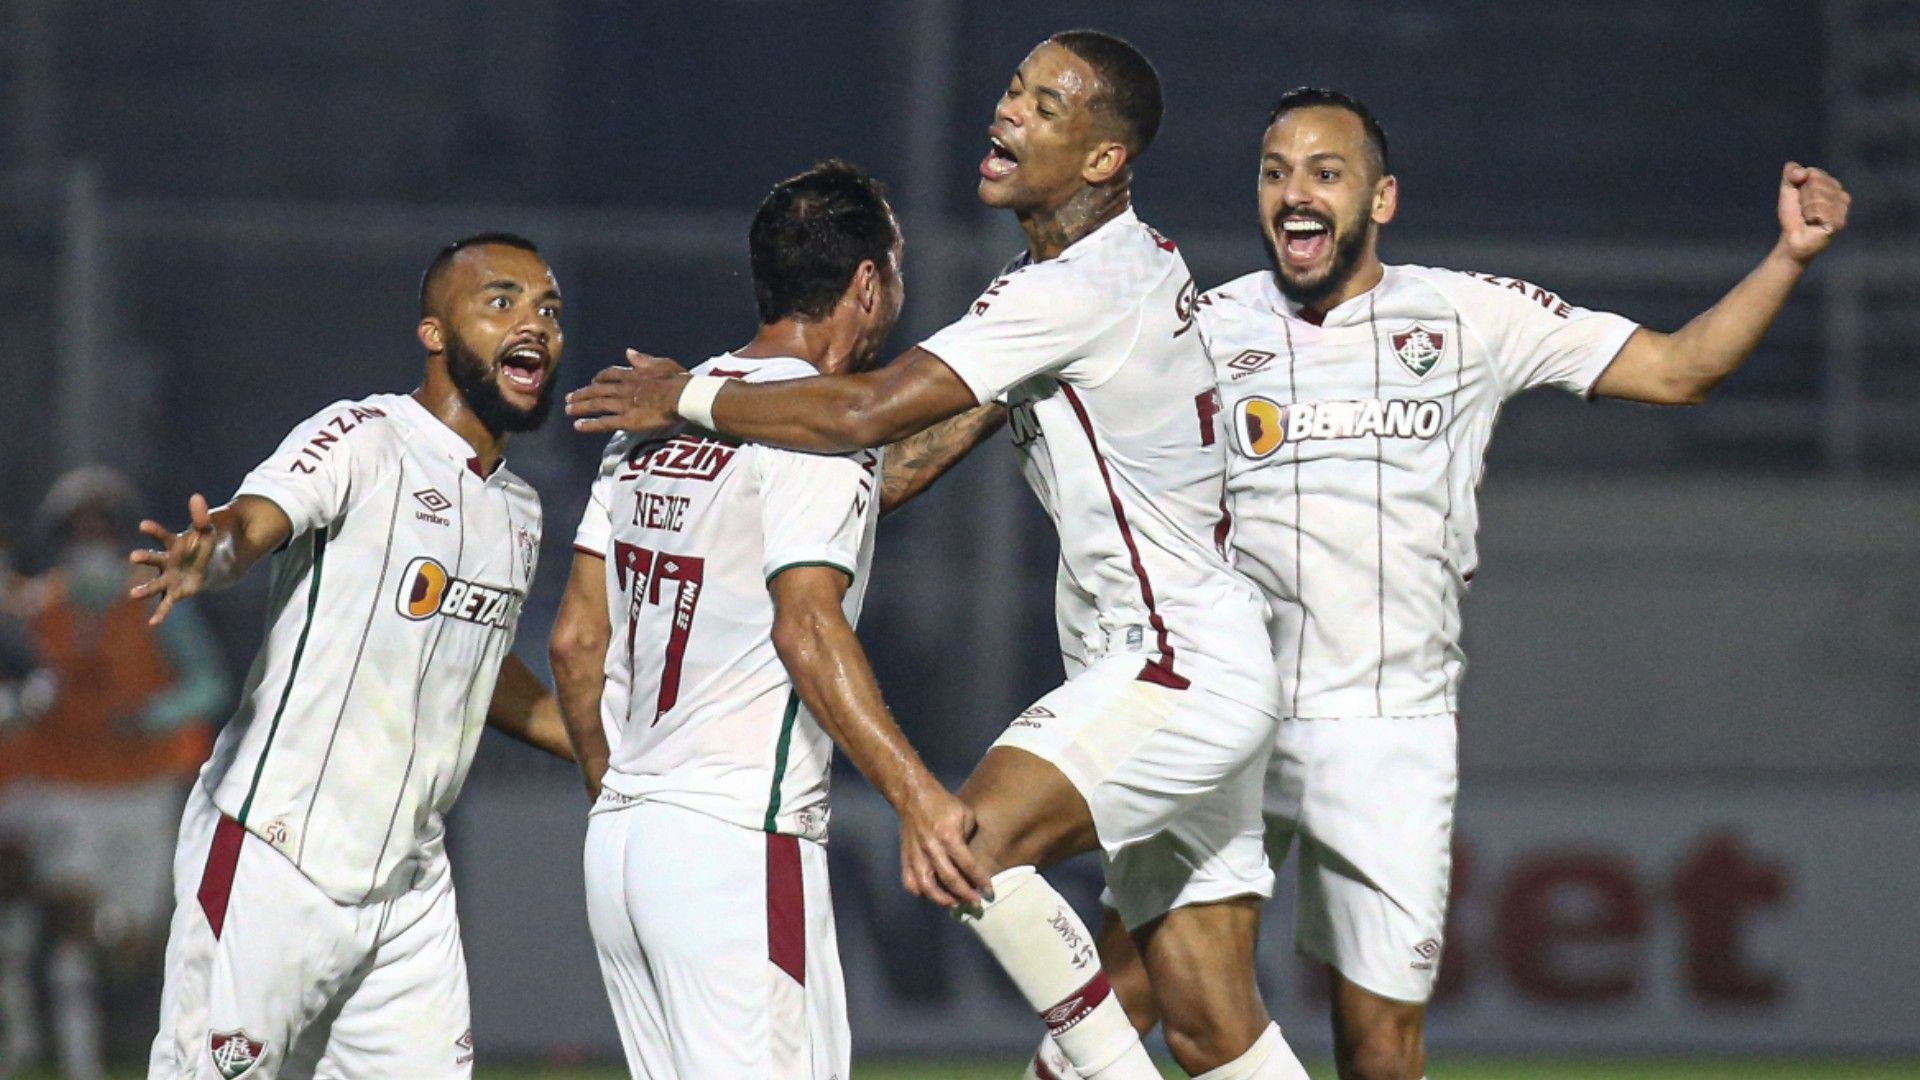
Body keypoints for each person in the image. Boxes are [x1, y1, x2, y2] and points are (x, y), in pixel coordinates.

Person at [1037, 88, 1853, 1080]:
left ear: (1380, 200)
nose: (1296, 194)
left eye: (1325, 174)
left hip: (1388, 732)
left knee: (1382, 1053)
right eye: (1275, 171)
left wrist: (1790, 259)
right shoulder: (1200, 331)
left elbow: (1681, 371)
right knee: (1136, 998)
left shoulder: (1468, 315)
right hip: (1227, 716)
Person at [566, 30, 1312, 1080]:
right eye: (1012, 89)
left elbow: (868, 412)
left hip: (1172, 666)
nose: (1008, 112)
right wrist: (764, 473)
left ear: (1103, 159)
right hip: (1192, 662)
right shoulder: (1078, 280)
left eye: (1046, 105)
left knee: (969, 844)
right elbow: (901, 459)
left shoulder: (1071, 291)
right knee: (1209, 1017)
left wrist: (691, 400)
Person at [549, 159, 1005, 1079]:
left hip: (625, 848)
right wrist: (920, 800)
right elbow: (807, 627)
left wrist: (1000, 393)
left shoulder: (655, 422)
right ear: (868, 283)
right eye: (899, 267)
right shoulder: (816, 429)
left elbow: (575, 644)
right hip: (736, 844)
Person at [135, 233, 582, 1079]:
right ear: (435, 335)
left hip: (407, 886)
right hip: (276, 856)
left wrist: (597, 749)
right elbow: (254, 521)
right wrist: (213, 553)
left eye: (549, 309)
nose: (536, 322)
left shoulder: (518, 511)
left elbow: (473, 663)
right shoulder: (364, 437)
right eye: (503, 301)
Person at [0, 467, 227, 1080]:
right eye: (78, 530)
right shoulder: (40, 606)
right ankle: (79, 1064)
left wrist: (153, 715)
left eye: (101, 527)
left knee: (128, 942)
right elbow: (21, 683)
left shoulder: (155, 600)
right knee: (66, 917)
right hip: (67, 786)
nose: (89, 540)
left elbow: (208, 681)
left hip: (144, 788)